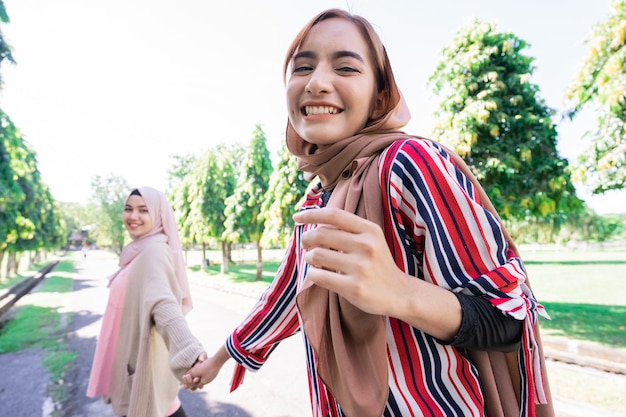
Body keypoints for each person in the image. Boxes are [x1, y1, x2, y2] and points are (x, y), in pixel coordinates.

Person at [184, 8, 554, 417]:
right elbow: (286, 293)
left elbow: (507, 317)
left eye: (345, 67)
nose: (317, 83)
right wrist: (219, 359)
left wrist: (399, 292)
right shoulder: (318, 196)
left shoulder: (409, 162)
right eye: (302, 67)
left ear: (380, 95)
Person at [87, 186, 206, 417]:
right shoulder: (138, 251)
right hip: (129, 363)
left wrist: (190, 352)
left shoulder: (153, 252)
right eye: (128, 209)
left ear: (158, 215)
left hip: (143, 371)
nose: (133, 216)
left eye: (143, 210)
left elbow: (164, 305)